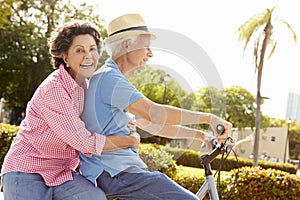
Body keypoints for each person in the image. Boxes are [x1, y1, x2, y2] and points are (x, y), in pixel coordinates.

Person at [80, 14, 232, 200]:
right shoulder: (110, 79)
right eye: (146, 47)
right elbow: (156, 114)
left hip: (117, 173)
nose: (151, 54)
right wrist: (209, 118)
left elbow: (153, 125)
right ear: (127, 45)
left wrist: (200, 135)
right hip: (116, 174)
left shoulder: (111, 79)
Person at [0, 21, 140, 200]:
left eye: (92, 49)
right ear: (65, 57)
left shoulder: (89, 87)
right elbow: (84, 141)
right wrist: (128, 141)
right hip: (26, 170)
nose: (88, 56)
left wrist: (125, 123)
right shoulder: (55, 89)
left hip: (62, 173)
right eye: (79, 50)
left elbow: (105, 122)